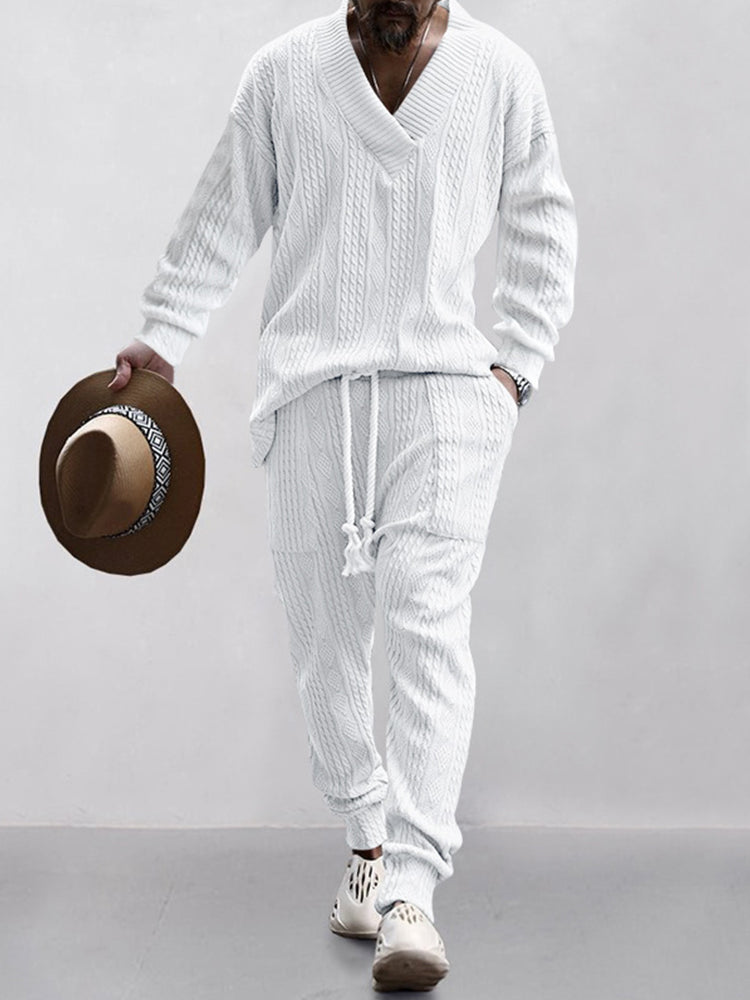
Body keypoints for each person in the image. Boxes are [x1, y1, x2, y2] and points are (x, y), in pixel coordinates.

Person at [109, 0, 577, 990]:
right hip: (311, 395)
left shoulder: (500, 74)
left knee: (426, 625)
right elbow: (223, 212)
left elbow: (544, 223)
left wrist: (513, 373)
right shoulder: (283, 72)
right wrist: (166, 333)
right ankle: (367, 841)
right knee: (324, 636)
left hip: (446, 396)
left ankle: (412, 890)